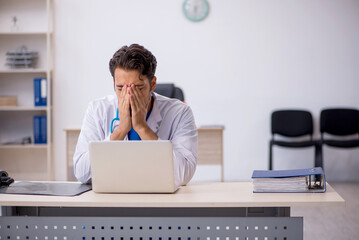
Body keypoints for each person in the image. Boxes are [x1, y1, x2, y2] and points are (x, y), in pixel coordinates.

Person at [73, 44, 198, 187]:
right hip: (113, 196)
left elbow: (183, 175)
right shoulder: (98, 110)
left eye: (138, 88)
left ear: (153, 84)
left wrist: (142, 128)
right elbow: (81, 173)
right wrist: (120, 131)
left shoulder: (180, 112)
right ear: (114, 83)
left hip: (160, 199)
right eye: (120, 88)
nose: (129, 96)